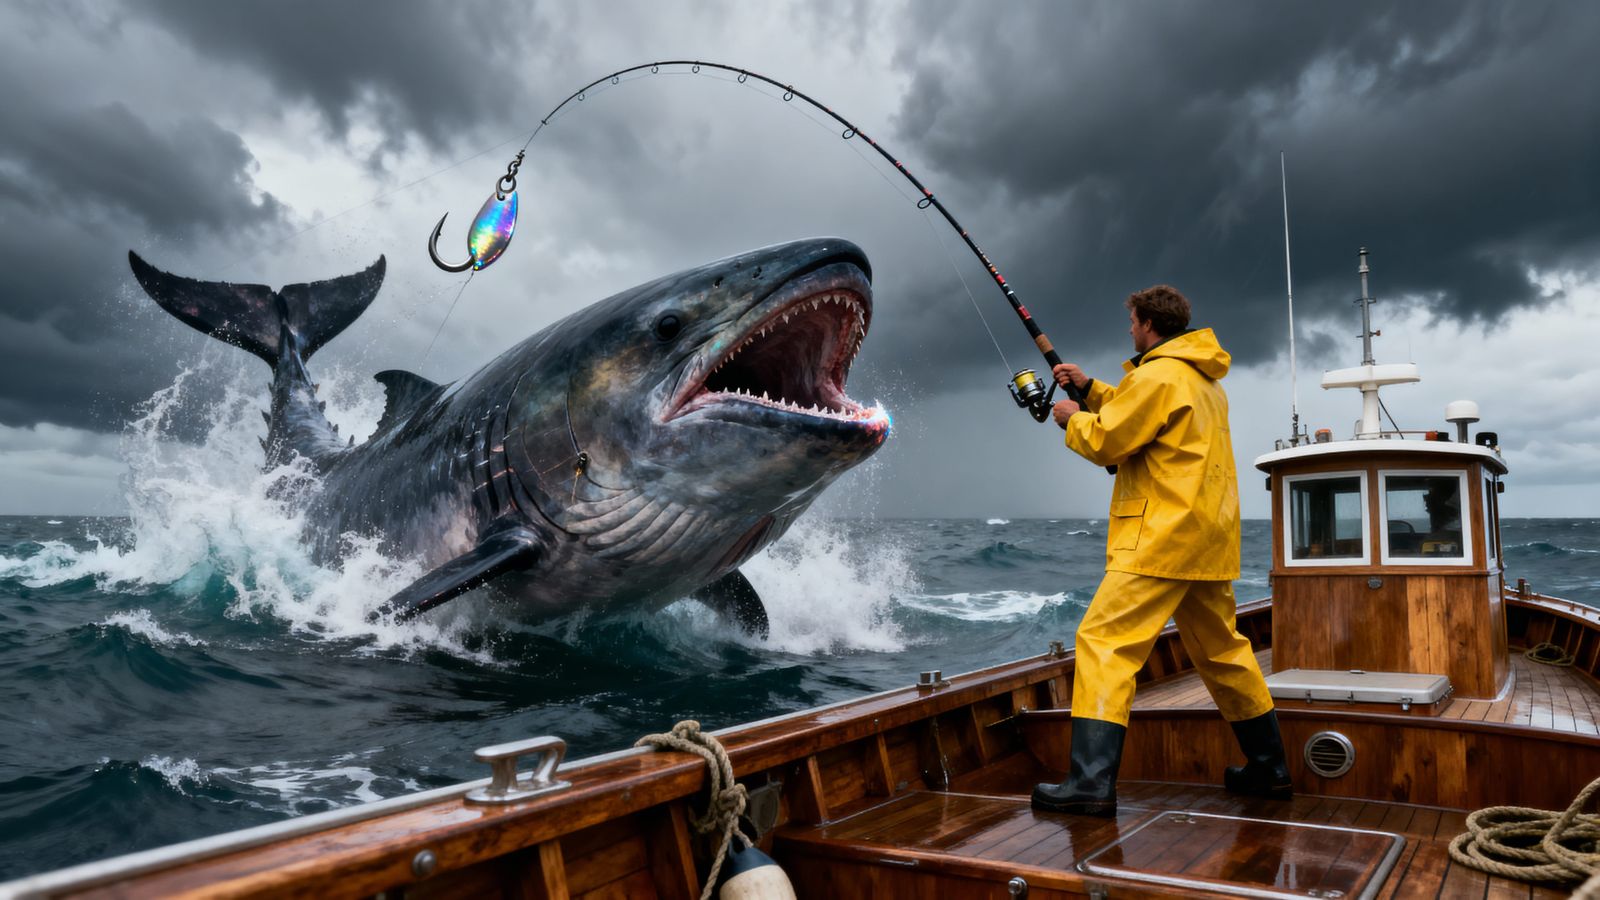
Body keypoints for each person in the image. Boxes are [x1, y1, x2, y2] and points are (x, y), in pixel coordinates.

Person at [1031, 285, 1292, 817]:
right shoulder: (1202, 380)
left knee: (1103, 642)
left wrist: (1071, 418)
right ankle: (1270, 769)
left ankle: (1089, 784)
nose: (1129, 330)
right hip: (1207, 540)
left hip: (1159, 538)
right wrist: (1093, 388)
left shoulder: (1156, 375)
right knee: (1223, 653)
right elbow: (1146, 418)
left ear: (1149, 322)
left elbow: (1109, 441)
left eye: (1131, 322)